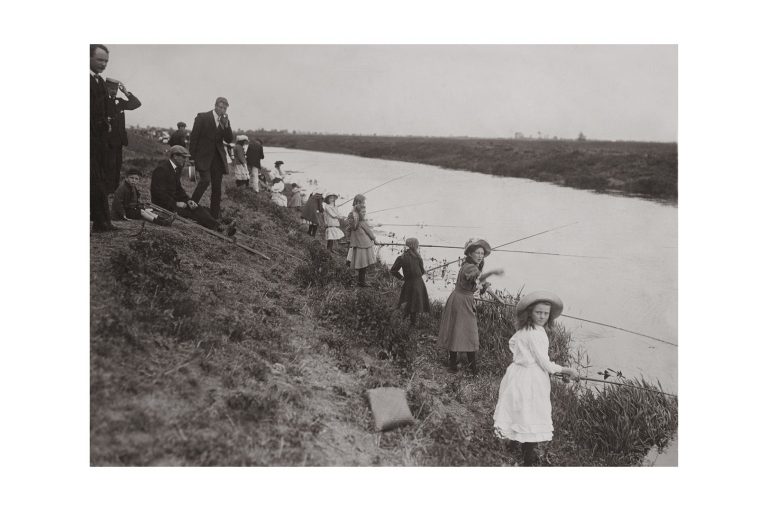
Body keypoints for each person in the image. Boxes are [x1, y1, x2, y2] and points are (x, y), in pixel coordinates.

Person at [493, 291, 579, 466]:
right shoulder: (536, 334)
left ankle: (512, 442)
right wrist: (566, 370)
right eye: (538, 312)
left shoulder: (525, 329)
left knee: (519, 409)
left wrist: (523, 358)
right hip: (531, 379)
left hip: (516, 374)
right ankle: (529, 458)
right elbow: (545, 364)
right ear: (530, 312)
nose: (542, 316)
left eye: (546, 313)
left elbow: (512, 343)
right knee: (532, 413)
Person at [437, 238, 503, 375]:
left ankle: (454, 365)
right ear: (470, 254)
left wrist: (494, 296)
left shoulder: (468, 265)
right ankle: (472, 370)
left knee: (457, 331)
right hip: (461, 301)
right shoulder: (470, 267)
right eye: (477, 253)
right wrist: (497, 297)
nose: (480, 256)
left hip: (461, 299)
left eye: (482, 253)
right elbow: (479, 280)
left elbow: (480, 283)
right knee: (469, 334)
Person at [151, 145, 234, 235]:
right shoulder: (162, 169)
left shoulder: (176, 168)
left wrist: (188, 200)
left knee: (196, 206)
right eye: (183, 157)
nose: (185, 160)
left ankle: (219, 226)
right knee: (192, 212)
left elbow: (178, 189)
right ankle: (219, 228)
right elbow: (158, 193)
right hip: (163, 204)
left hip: (172, 201)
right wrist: (175, 203)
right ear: (175, 156)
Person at [189, 97, 233, 219]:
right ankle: (191, 206)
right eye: (220, 107)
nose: (222, 110)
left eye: (224, 108)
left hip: (217, 159)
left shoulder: (225, 121)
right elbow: (194, 138)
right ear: (215, 106)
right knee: (205, 180)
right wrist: (191, 157)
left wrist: (227, 125)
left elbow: (229, 139)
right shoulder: (202, 117)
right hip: (203, 157)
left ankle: (214, 215)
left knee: (217, 188)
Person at [90, 44, 116, 232]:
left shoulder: (99, 81)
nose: (104, 64)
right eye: (100, 59)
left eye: (106, 61)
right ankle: (100, 221)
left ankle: (102, 221)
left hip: (99, 140)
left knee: (99, 180)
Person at [104, 78, 142, 192]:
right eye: (111, 88)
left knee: (117, 165)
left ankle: (114, 189)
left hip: (119, 141)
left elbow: (136, 104)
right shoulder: (102, 101)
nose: (113, 91)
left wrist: (125, 92)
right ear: (106, 88)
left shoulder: (120, 102)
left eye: (115, 89)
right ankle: (106, 189)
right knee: (107, 165)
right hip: (107, 140)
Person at [389, 238, 430, 325]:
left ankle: (405, 321)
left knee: (409, 303)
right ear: (415, 246)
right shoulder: (418, 258)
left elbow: (393, 271)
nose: (418, 246)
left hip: (408, 284)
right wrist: (420, 273)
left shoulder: (401, 258)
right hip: (418, 283)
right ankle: (411, 323)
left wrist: (402, 278)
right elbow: (422, 272)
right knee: (414, 304)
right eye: (417, 245)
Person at [347, 203, 377, 287]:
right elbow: (369, 232)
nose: (364, 213)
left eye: (365, 212)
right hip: (365, 246)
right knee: (363, 265)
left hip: (358, 246)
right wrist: (374, 239)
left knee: (361, 264)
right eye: (363, 212)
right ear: (358, 213)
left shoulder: (354, 222)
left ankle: (361, 281)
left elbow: (349, 231)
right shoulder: (362, 222)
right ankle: (361, 282)